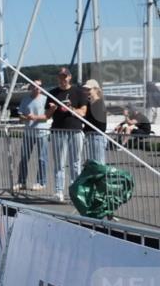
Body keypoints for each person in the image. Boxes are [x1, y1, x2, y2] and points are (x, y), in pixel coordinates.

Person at [45, 67, 87, 202]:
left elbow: (83, 112)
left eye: (65, 77)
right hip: (58, 131)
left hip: (75, 130)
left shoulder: (78, 92)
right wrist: (52, 109)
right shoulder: (52, 93)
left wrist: (71, 108)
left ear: (69, 77)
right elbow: (46, 116)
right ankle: (59, 192)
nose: (63, 80)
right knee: (59, 163)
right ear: (58, 78)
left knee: (75, 162)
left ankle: (75, 191)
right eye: (60, 77)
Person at [14, 79, 49, 191]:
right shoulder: (25, 100)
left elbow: (48, 116)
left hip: (42, 132)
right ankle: (21, 182)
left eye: (39, 86)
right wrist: (26, 118)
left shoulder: (45, 99)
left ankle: (41, 182)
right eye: (34, 86)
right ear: (30, 87)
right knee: (24, 158)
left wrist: (35, 118)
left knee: (42, 158)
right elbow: (20, 116)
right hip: (28, 132)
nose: (37, 87)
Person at [82, 79, 108, 164]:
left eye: (89, 89)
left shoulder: (99, 103)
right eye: (86, 90)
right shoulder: (89, 103)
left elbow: (101, 124)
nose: (86, 92)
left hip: (97, 136)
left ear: (96, 89)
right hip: (90, 136)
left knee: (99, 164)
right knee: (93, 164)